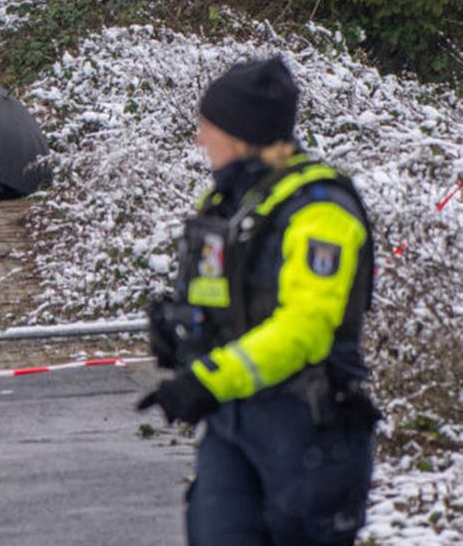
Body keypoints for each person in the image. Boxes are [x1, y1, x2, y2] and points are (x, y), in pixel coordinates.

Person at [139, 57, 378, 546]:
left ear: (242, 134)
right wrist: (184, 334)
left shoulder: (320, 212)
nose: (201, 139)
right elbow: (231, 303)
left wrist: (209, 379)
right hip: (233, 425)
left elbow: (305, 329)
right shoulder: (235, 204)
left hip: (308, 429)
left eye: (209, 127)